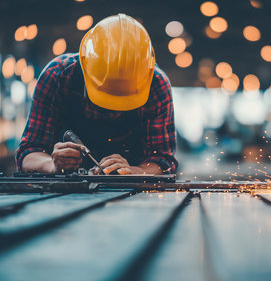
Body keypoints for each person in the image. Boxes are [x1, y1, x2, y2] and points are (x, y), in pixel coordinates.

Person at [16, 14, 177, 175]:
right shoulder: (58, 76)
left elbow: (163, 162)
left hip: (131, 192)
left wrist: (134, 171)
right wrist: (52, 164)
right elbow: (28, 154)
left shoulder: (156, 86)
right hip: (65, 188)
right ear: (86, 67)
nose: (112, 109)